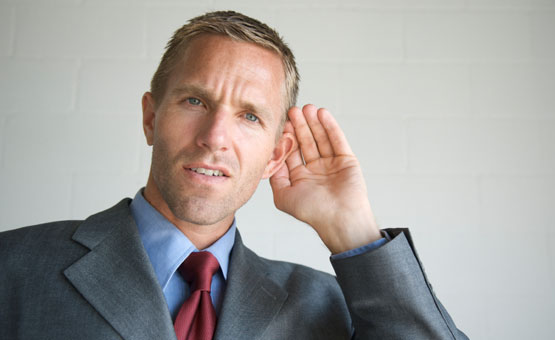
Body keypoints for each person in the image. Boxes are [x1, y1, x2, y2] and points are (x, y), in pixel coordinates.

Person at [0, 11, 468, 340]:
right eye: (195, 101)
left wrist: (353, 231)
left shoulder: (331, 307)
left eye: (249, 117)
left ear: (275, 155)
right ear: (150, 118)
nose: (215, 137)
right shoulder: (13, 266)